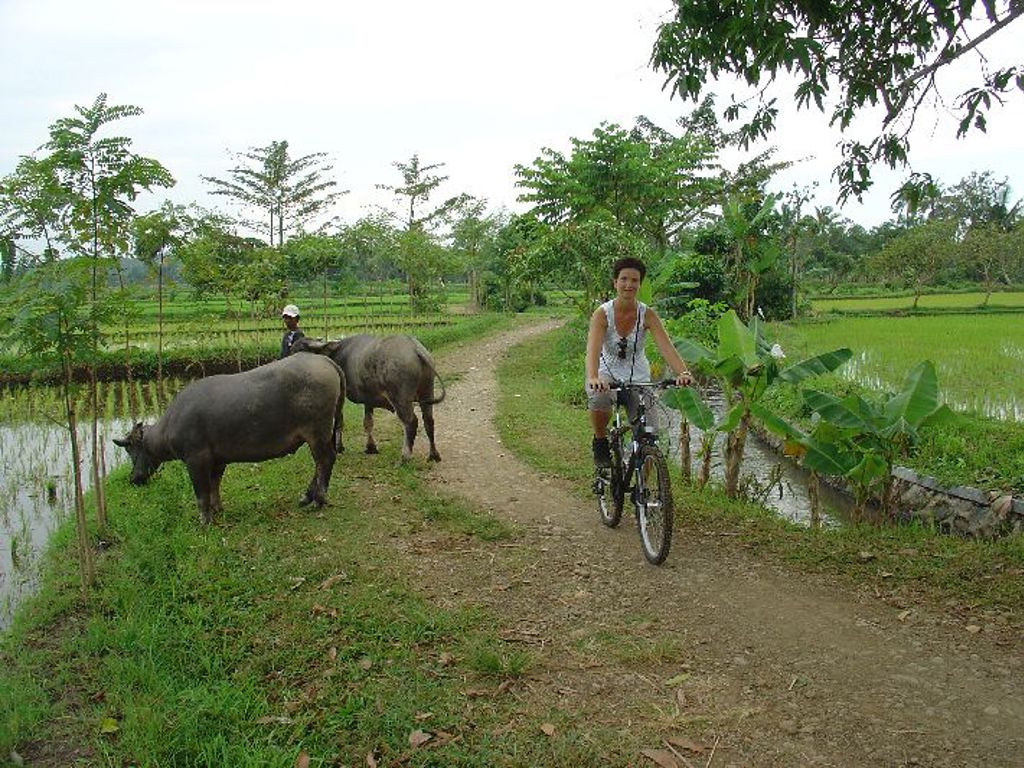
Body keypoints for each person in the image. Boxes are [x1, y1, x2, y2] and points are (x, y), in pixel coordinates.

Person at [585, 257, 693, 468]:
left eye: (634, 280)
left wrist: (684, 373)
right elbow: (593, 349)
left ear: (639, 284)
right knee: (599, 399)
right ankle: (599, 441)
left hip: (639, 378)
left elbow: (666, 347)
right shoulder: (602, 314)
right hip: (607, 374)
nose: (629, 285)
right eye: (623, 279)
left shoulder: (648, 314)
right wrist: (593, 377)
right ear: (615, 282)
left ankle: (643, 494)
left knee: (649, 436)